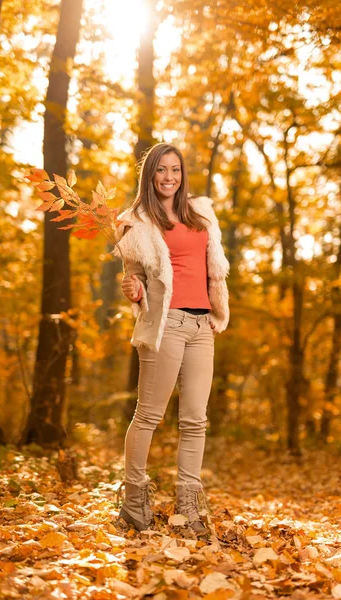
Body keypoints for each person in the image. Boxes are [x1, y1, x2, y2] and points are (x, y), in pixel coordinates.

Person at [113, 142, 230, 533]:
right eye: (161, 170)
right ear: (151, 175)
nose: (169, 177)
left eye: (175, 169)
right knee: (149, 415)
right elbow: (137, 281)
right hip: (166, 325)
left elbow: (213, 269)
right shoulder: (136, 222)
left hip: (201, 327)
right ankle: (133, 502)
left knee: (196, 420)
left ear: (182, 174)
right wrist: (133, 290)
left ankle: (188, 507)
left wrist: (216, 312)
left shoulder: (201, 213)